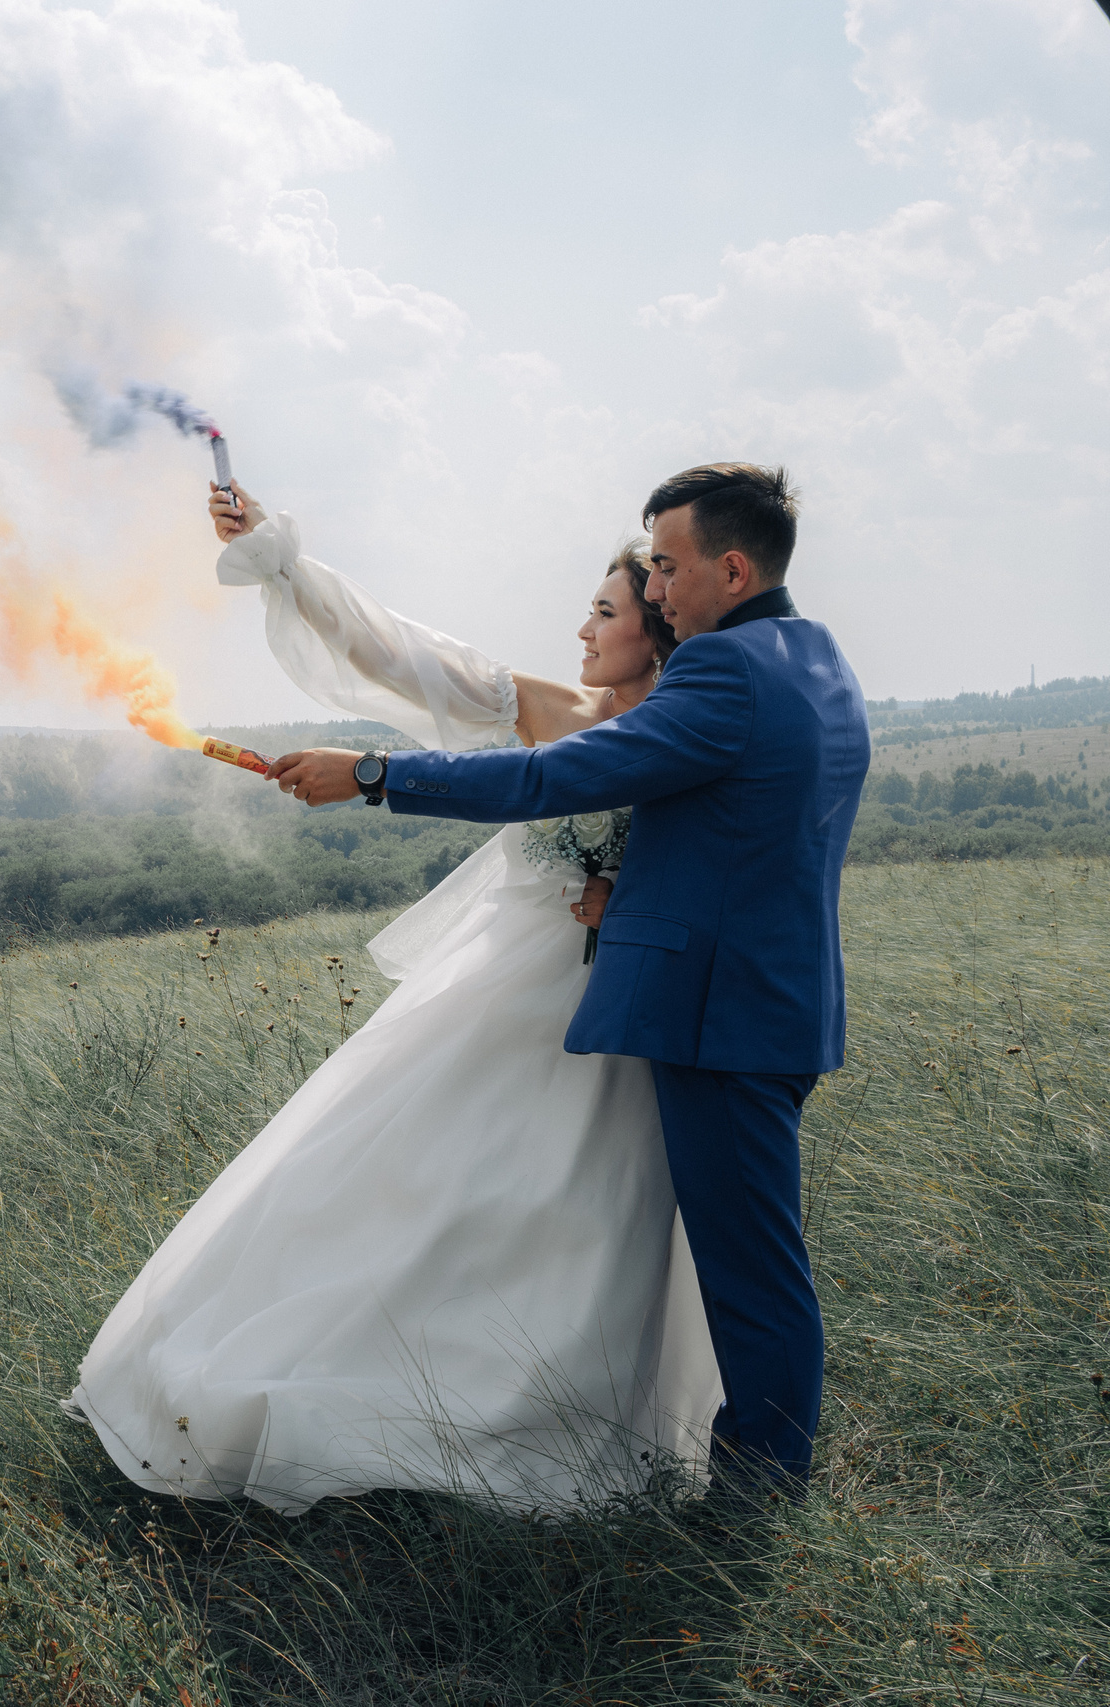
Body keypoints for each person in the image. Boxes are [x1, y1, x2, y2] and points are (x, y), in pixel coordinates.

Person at [66, 487, 724, 1515]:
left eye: (606, 612)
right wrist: (282, 561)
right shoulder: (551, 711)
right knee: (412, 1185)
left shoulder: (691, 734)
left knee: (588, 1210)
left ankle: (557, 1419)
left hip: (620, 1012)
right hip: (506, 993)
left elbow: (719, 862)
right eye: (590, 610)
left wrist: (627, 895)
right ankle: (383, 1391)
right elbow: (402, 651)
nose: (584, 628)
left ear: (661, 626)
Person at [265, 463, 870, 1506]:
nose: (658, 588)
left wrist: (374, 775)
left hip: (717, 1016)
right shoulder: (813, 656)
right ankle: (754, 1470)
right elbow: (741, 842)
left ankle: (760, 1493)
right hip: (778, 999)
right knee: (748, 1257)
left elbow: (556, 777)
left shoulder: (721, 673)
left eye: (670, 567)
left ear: (730, 568)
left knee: (751, 1270)